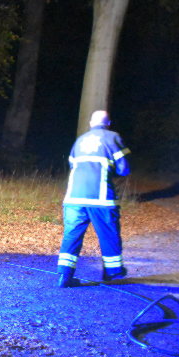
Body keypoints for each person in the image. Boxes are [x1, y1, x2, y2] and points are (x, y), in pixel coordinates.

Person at [56, 110, 131, 288]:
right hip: (101, 198)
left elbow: (72, 164)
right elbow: (124, 169)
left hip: (73, 198)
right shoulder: (113, 138)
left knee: (72, 235)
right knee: (108, 234)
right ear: (109, 123)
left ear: (91, 123)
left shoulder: (79, 140)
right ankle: (113, 273)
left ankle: (64, 276)